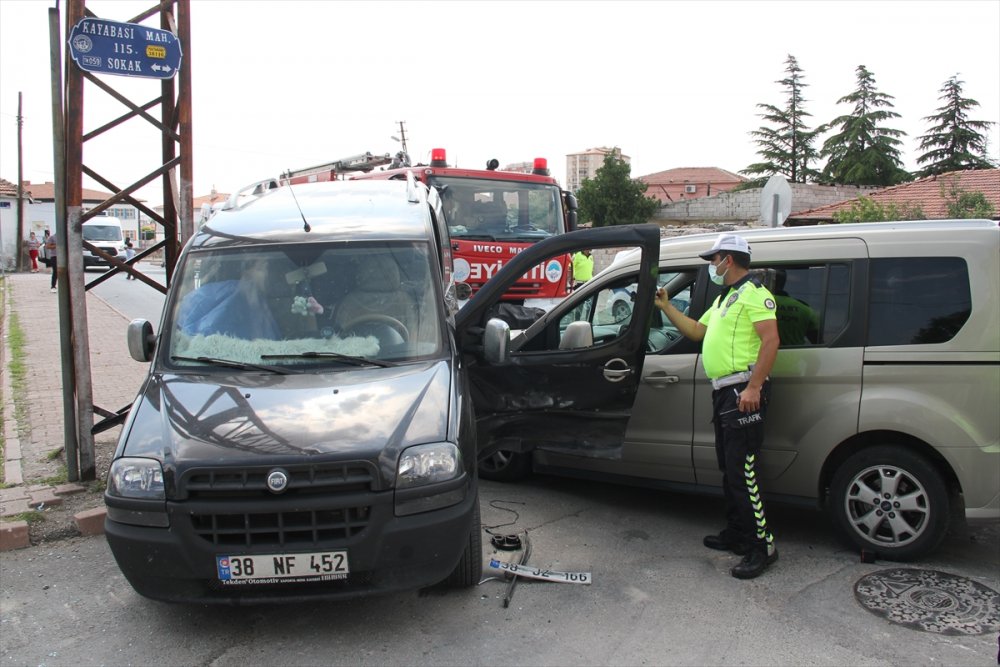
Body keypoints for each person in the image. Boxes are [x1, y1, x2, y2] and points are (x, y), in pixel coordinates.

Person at [653, 233, 780, 579]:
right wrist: (666, 306)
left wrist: (754, 387)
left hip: (743, 392)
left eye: (714, 259)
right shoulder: (727, 298)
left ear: (729, 259)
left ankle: (762, 545)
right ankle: (738, 533)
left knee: (744, 473)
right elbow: (696, 331)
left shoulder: (755, 295)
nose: (712, 265)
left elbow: (771, 341)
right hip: (725, 393)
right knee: (730, 468)